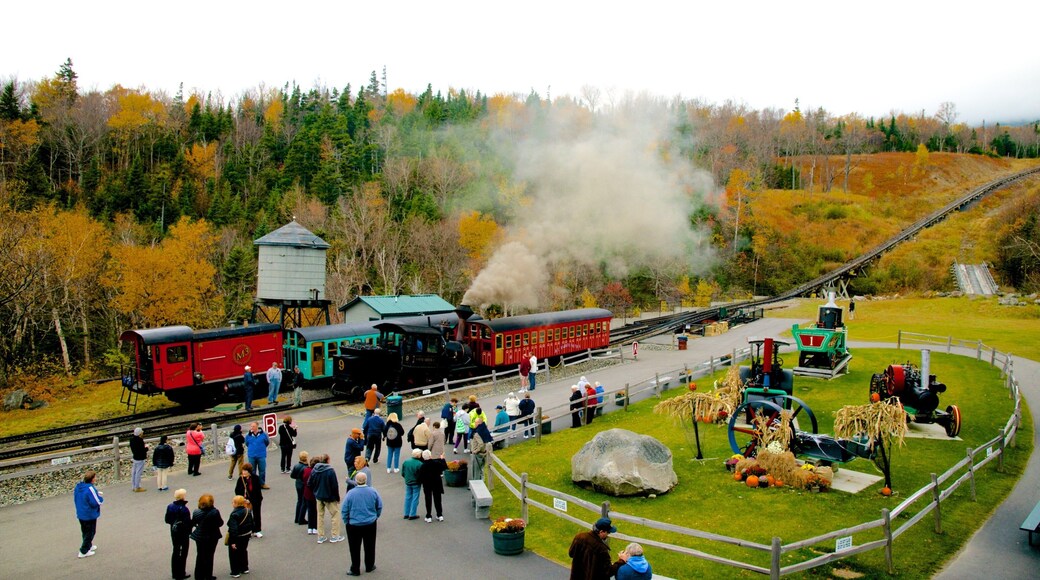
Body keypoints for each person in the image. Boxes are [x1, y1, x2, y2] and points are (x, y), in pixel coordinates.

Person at [341, 472, 383, 576]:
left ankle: (355, 568)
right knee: (370, 545)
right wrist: (375, 516)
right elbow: (379, 505)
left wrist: (347, 521)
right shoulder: (373, 491)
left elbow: (344, 509)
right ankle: (369, 565)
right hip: (370, 523)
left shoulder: (350, 493)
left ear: (356, 481)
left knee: (354, 547)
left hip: (354, 524)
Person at [308, 454, 344, 544]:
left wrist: (316, 490)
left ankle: (320, 536)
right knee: (335, 515)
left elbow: (309, 483)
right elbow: (334, 485)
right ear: (327, 460)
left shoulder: (315, 470)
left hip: (319, 496)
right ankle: (335, 535)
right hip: (329, 497)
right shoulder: (330, 471)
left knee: (320, 516)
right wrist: (337, 497)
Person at [189, 493, 223, 580]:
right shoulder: (214, 512)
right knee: (209, 556)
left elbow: (193, 522)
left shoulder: (196, 512)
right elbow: (220, 523)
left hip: (200, 536)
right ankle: (208, 575)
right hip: (212, 536)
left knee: (200, 556)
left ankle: (199, 576)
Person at [73, 470, 103, 558]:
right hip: (89, 514)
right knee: (91, 532)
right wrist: (101, 498)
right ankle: (83, 550)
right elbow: (96, 502)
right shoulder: (90, 488)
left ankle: (88, 545)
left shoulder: (79, 487)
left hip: (81, 513)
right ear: (92, 479)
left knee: (85, 531)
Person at [164, 488, 191, 579]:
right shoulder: (184, 509)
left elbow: (167, 520)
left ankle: (175, 572)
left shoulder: (170, 506)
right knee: (183, 553)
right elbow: (187, 523)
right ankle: (181, 572)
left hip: (174, 531)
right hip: (183, 533)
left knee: (175, 551)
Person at [226, 495, 254, 578]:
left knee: (234, 554)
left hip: (237, 536)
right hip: (246, 535)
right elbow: (251, 523)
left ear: (235, 503)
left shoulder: (234, 514)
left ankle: (235, 571)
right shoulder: (247, 511)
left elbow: (233, 529)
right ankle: (244, 567)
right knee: (243, 551)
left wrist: (233, 541)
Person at [234, 462, 264, 538]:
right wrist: (243, 499)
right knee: (247, 516)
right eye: (242, 471)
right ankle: (248, 531)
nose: (243, 472)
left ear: (249, 471)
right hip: (244, 501)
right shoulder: (240, 479)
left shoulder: (255, 478)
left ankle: (257, 530)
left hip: (255, 500)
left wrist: (250, 500)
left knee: (257, 515)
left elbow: (257, 492)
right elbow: (237, 490)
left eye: (245, 471)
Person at [418, 450, 447, 522]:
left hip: (427, 484)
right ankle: (439, 515)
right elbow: (444, 467)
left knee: (428, 499)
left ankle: (428, 515)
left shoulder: (423, 466)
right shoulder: (436, 463)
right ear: (430, 456)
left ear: (423, 457)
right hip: (437, 483)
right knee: (438, 499)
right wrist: (442, 458)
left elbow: (420, 477)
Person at [245, 421, 270, 488]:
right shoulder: (248, 435)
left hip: (261, 455)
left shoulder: (264, 434)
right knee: (252, 471)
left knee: (262, 470)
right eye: (251, 426)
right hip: (252, 455)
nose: (252, 428)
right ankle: (253, 484)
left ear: (257, 427)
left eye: (253, 426)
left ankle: (262, 483)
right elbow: (246, 443)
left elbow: (267, 442)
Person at [400, 449, 423, 520]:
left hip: (408, 482)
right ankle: (412, 514)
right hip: (416, 482)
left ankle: (406, 513)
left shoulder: (406, 462)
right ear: (418, 455)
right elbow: (421, 475)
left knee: (408, 497)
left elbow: (403, 473)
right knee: (415, 498)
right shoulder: (419, 464)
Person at [290, 450, 310, 526]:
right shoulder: (306, 467)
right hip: (303, 485)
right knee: (304, 502)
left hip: (297, 484)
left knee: (299, 501)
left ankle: (297, 517)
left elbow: (292, 476)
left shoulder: (296, 465)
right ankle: (301, 518)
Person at [302, 455, 319, 535]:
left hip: (307, 492)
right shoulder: (316, 472)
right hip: (314, 493)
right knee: (315, 511)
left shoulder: (306, 470)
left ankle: (310, 527)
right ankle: (315, 527)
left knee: (310, 510)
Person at [130, 427, 149, 492]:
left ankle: (133, 486)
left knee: (134, 472)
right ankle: (137, 487)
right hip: (140, 458)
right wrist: (146, 448)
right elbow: (142, 450)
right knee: (138, 473)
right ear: (140, 433)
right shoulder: (140, 441)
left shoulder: (132, 440)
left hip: (135, 457)